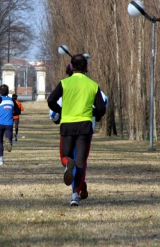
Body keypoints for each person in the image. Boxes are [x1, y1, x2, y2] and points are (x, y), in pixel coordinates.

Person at [47, 54, 106, 207]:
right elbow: (101, 108)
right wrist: (95, 115)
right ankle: (75, 195)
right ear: (86, 67)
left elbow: (51, 100)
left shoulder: (64, 83)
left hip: (67, 125)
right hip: (85, 127)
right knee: (81, 162)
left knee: (64, 157)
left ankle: (68, 164)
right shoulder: (93, 85)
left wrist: (61, 111)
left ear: (71, 67)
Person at [0, 84, 20, 165]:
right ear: (8, 92)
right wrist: (12, 112)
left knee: (0, 142)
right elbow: (18, 111)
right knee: (8, 139)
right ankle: (9, 141)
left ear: (0, 92)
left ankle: (1, 160)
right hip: (9, 123)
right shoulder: (12, 100)